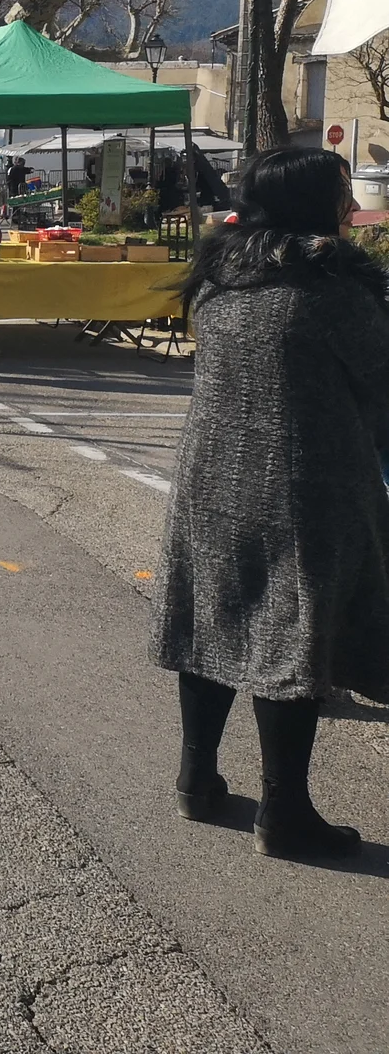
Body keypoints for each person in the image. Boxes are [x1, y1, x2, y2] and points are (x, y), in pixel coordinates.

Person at [157, 147, 389, 860]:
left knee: (212, 623)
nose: (353, 207)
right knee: (290, 637)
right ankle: (285, 814)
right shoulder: (327, 287)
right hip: (305, 488)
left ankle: (197, 781)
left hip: (209, 480)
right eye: (343, 192)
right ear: (314, 204)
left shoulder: (219, 279)